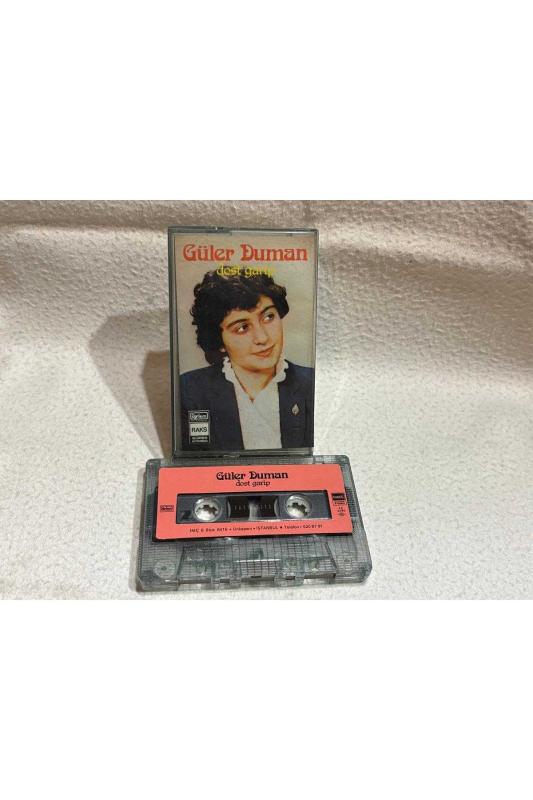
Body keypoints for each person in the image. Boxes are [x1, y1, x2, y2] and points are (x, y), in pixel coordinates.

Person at [180, 269, 314, 451]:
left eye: (268, 317)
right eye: (242, 328)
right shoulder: (189, 392)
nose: (262, 338)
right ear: (219, 341)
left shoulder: (310, 384)